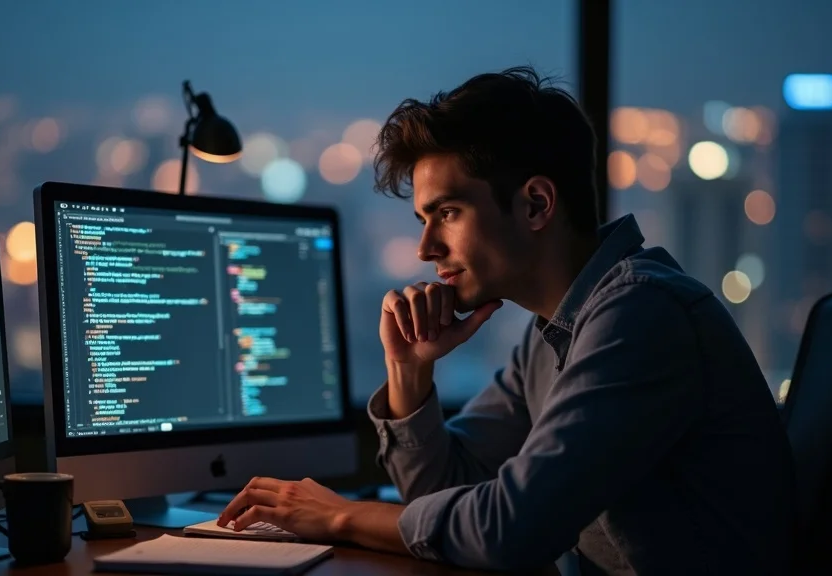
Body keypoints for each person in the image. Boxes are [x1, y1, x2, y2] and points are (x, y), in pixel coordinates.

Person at [217, 66, 796, 575]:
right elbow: (446, 494)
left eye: (447, 212)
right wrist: (408, 372)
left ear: (537, 204)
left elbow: (511, 528)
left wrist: (339, 515)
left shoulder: (641, 315)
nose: (425, 248)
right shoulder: (553, 334)